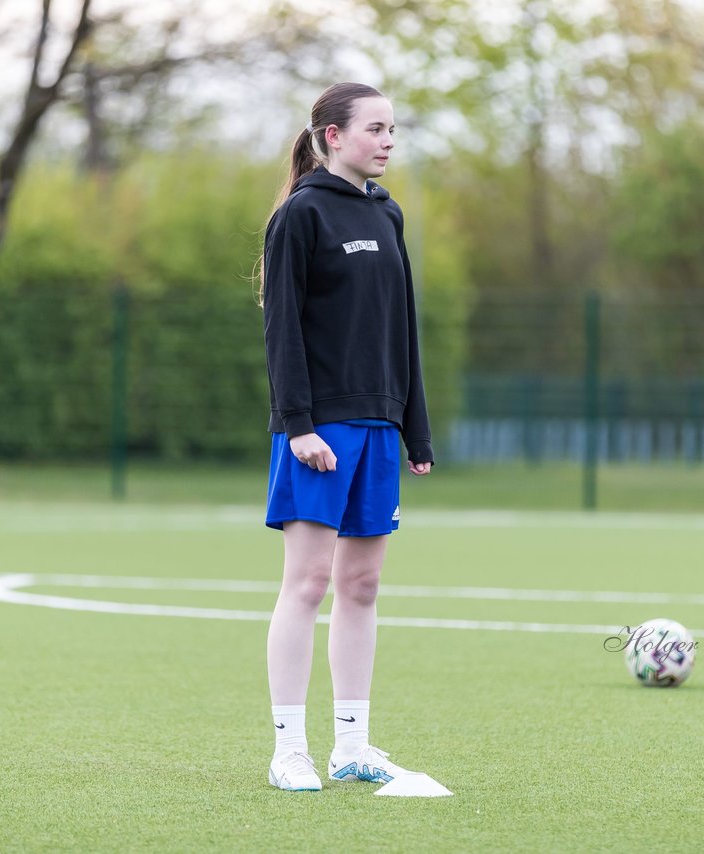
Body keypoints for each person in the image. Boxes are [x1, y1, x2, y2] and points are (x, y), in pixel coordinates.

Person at [258, 82, 434, 792]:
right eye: (375, 129)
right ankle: (289, 750)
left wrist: (413, 428)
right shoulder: (300, 215)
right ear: (332, 136)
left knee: (361, 585)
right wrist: (297, 425)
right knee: (306, 583)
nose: (388, 141)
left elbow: (402, 330)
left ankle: (352, 746)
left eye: (393, 129)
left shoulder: (387, 214)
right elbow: (282, 331)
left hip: (378, 428)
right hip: (318, 429)